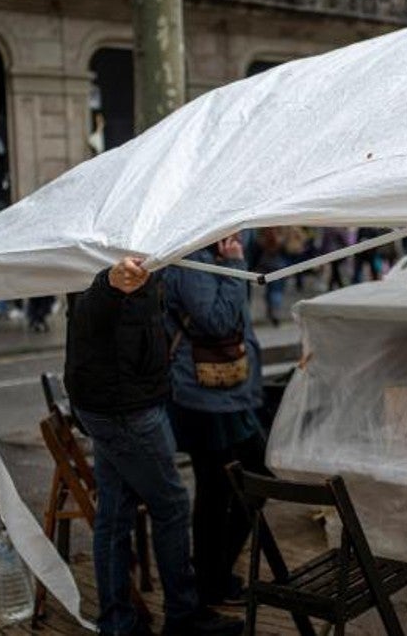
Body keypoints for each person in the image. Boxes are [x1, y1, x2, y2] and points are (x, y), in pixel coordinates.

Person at [66, 257, 243, 636]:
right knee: (172, 506)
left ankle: (118, 622)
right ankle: (182, 616)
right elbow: (91, 308)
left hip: (113, 402)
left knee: (114, 515)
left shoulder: (145, 253)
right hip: (126, 407)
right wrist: (109, 282)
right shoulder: (108, 265)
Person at [164, 235, 269, 607]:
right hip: (204, 397)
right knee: (226, 485)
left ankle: (212, 571)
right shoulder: (193, 259)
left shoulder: (207, 255)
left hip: (223, 393)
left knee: (226, 485)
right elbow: (218, 320)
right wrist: (236, 265)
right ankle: (210, 578)